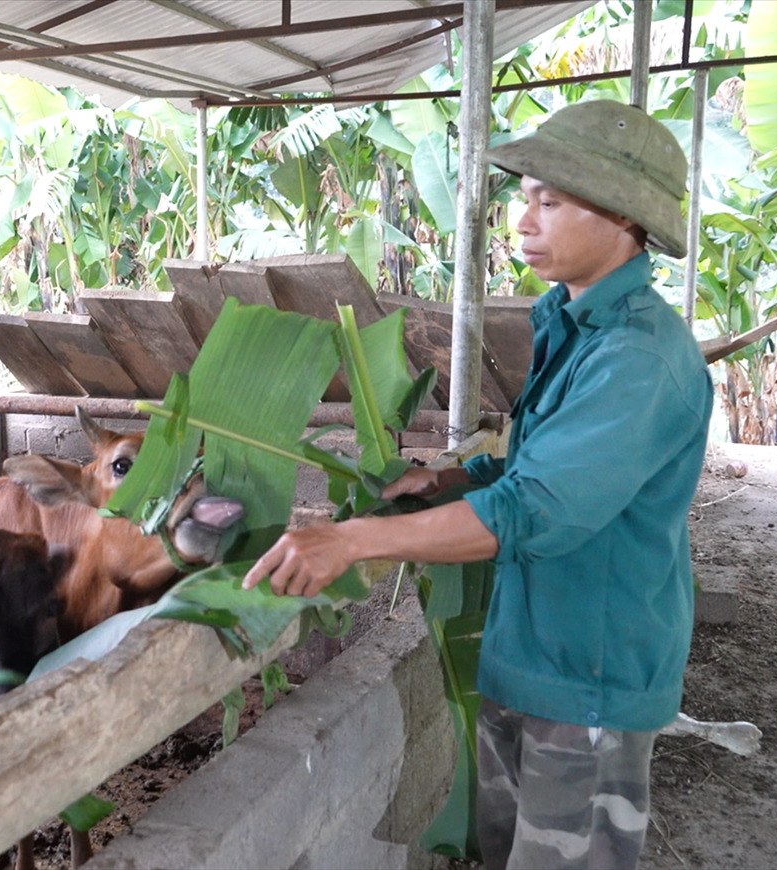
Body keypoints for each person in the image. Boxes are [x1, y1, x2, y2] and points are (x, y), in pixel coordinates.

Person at [243, 100, 714, 870]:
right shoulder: (572, 322)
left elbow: (536, 510)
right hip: (530, 652)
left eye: (550, 202)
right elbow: (537, 463)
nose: (523, 223)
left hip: (587, 681)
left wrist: (354, 539)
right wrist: (456, 475)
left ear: (626, 217)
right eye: (525, 198)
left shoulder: (639, 358)